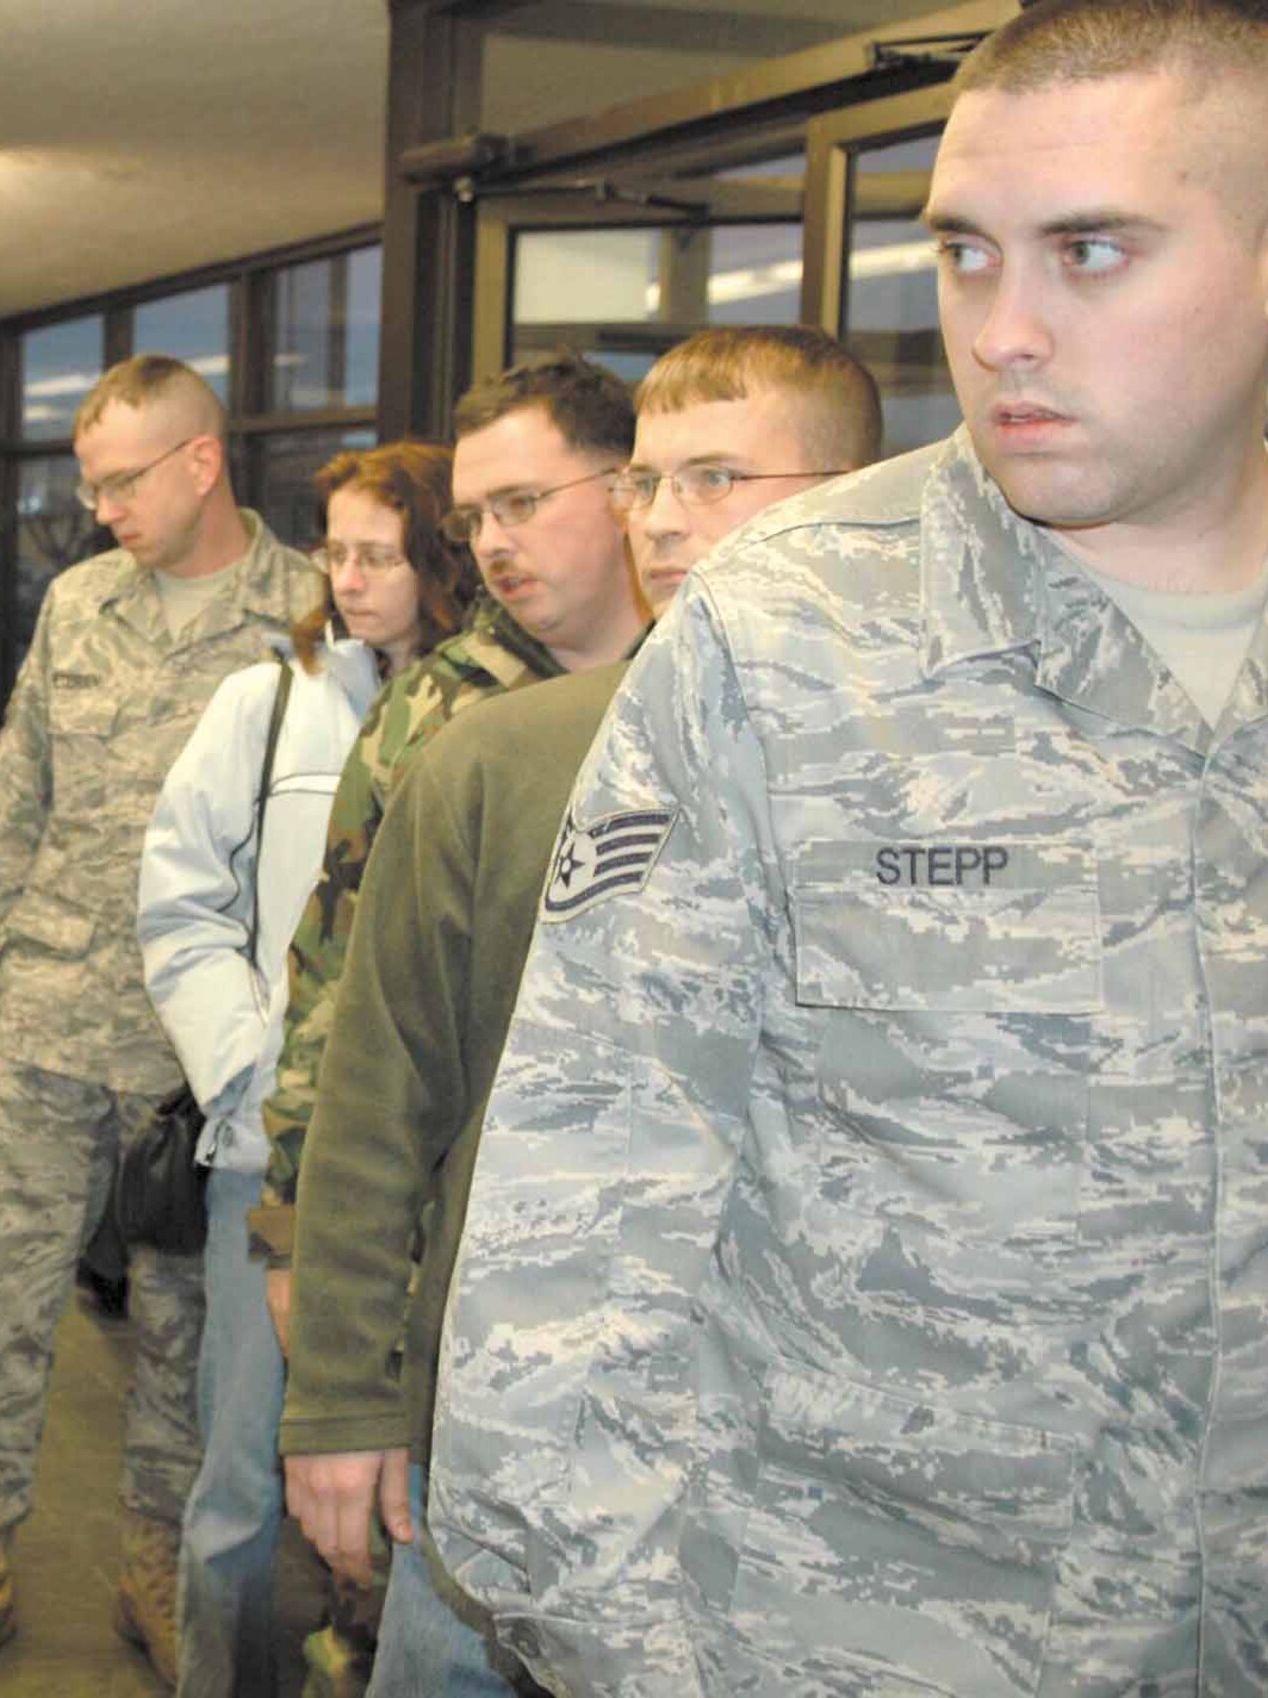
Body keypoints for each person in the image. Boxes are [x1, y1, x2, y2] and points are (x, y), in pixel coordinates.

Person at [432, 2, 1268, 1693]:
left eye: (1093, 253)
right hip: (858, 1633)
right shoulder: (798, 633)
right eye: (970, 257)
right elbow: (585, 1192)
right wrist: (627, 1653)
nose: (1008, 332)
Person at [280, 328, 884, 1698]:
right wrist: (343, 1396)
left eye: (717, 476)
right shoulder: (503, 757)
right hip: (513, 1437)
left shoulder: (944, 788)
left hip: (813, 1471)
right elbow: (378, 1096)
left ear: (862, 494)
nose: (664, 523)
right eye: (647, 485)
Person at [0, 354, 319, 1697]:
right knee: (1, 1298)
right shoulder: (79, 604)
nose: (98, 509)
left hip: (208, 1058)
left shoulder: (308, 612)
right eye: (88, 483)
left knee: (190, 1327)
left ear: (201, 462)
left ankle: (155, 1555)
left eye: (121, 480)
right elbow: (13, 797)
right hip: (54, 1018)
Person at [250, 350, 643, 1695]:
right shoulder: (445, 706)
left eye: (523, 503)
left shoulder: (710, 700)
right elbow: (341, 991)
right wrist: (295, 1230)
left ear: (624, 488)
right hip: (435, 1268)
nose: (492, 543)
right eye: (476, 515)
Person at [136, 442, 477, 1698]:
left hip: (425, 1174)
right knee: (236, 1482)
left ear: (441, 553)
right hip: (271, 1159)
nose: (345, 580)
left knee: (412, 1476)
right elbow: (179, 903)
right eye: (332, 551)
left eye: (376, 553)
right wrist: (243, 1072)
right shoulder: (271, 699)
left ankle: (363, 1656)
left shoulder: (487, 706)